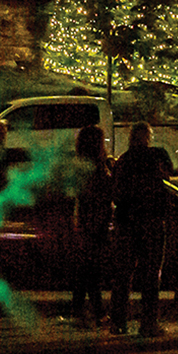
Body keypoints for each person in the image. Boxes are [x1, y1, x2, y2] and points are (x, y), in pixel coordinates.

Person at [109, 122, 174, 337]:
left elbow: (116, 195)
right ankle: (148, 322)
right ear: (148, 137)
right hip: (152, 222)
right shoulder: (156, 158)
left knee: (122, 274)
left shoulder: (123, 161)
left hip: (127, 221)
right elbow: (166, 182)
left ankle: (118, 321)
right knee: (151, 273)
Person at [70, 123, 115, 328]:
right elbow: (104, 194)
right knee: (92, 269)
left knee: (84, 268)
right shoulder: (97, 169)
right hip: (96, 222)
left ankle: (79, 308)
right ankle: (97, 311)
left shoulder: (81, 166)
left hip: (86, 221)